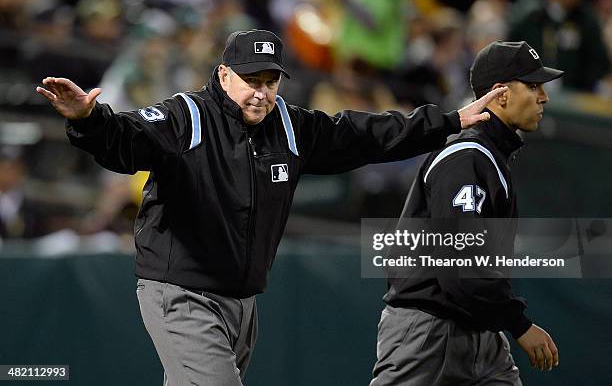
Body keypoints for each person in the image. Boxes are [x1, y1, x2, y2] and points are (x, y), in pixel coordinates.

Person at [36, 29, 504, 386]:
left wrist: (449, 121)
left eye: (270, 80)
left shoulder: (288, 125)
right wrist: (90, 119)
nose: (261, 91)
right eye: (250, 79)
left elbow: (365, 134)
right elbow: (126, 140)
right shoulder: (188, 116)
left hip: (241, 304)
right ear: (223, 75)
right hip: (181, 293)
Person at [371, 41, 563, 385]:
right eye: (533, 86)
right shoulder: (467, 156)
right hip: (430, 330)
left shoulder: (488, 154)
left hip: (480, 328)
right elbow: (461, 263)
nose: (543, 96)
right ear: (500, 94)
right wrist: (519, 324)